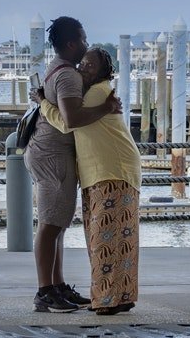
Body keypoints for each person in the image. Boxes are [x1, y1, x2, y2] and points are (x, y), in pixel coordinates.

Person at [24, 16, 119, 313]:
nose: (87, 45)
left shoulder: (57, 69)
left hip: (48, 153)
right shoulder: (68, 77)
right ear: (72, 43)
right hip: (53, 156)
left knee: (58, 224)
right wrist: (105, 108)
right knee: (50, 225)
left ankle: (58, 285)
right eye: (84, 39)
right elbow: (72, 119)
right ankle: (44, 291)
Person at [41, 47, 141, 315]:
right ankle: (123, 295)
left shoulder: (96, 93)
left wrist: (42, 102)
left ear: (103, 71)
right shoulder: (101, 92)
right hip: (116, 169)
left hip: (108, 171)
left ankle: (107, 299)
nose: (83, 68)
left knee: (104, 237)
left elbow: (67, 122)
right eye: (83, 63)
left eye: (91, 66)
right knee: (123, 238)